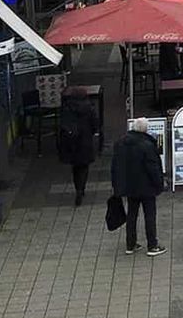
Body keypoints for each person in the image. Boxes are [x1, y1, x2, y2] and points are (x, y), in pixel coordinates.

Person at [110, 119, 166, 256]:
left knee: (132, 214)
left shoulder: (121, 143)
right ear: (145, 130)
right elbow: (153, 168)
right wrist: (160, 184)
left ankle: (130, 244)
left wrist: (117, 185)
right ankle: (152, 245)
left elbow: (115, 167)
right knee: (150, 215)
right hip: (147, 187)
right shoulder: (147, 145)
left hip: (130, 187)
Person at [57, 85, 98, 206]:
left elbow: (63, 124)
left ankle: (77, 188)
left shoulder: (67, 107)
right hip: (85, 141)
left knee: (75, 167)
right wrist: (93, 132)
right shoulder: (89, 108)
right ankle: (82, 188)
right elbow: (95, 123)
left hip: (72, 142)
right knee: (84, 166)